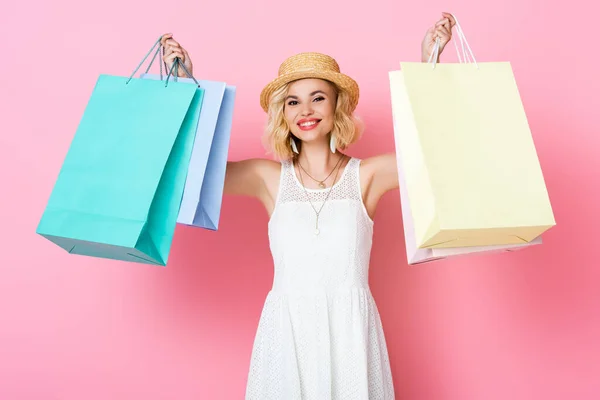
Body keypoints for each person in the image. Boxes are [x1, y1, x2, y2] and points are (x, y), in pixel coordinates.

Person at [161, 12, 456, 400]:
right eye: (293, 102)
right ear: (283, 113)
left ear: (337, 107)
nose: (306, 111)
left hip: (351, 335)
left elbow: (430, 152)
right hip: (288, 336)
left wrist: (428, 63)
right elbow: (193, 174)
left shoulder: (367, 176)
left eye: (319, 98)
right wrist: (185, 85)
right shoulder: (268, 178)